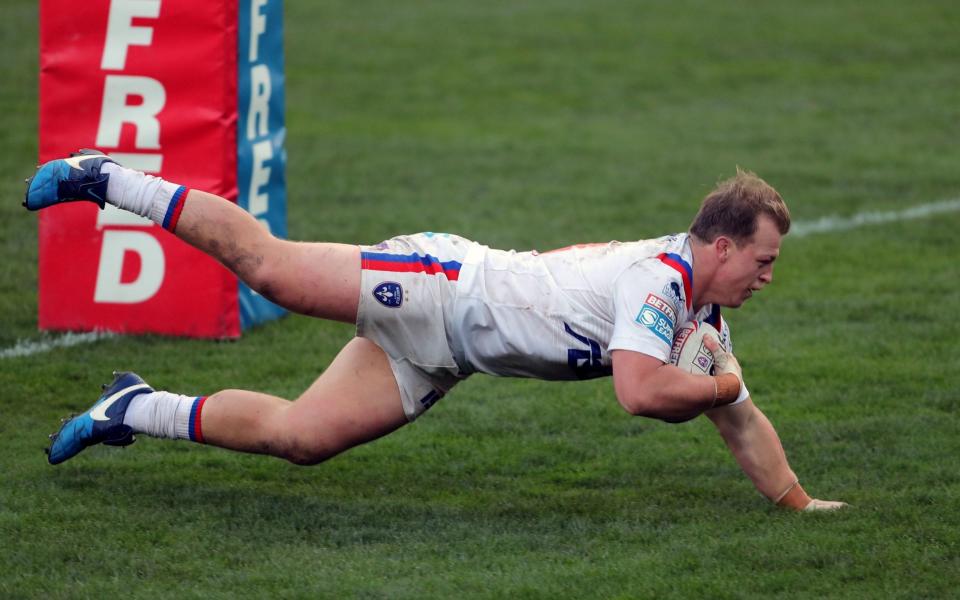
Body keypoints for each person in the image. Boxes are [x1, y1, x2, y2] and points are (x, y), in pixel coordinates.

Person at [24, 151, 846, 511]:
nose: (768, 277)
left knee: (300, 439)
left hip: (447, 355)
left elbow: (739, 418)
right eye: (763, 261)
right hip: (439, 287)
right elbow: (640, 393)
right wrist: (719, 385)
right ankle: (107, 177)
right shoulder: (660, 284)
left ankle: (128, 408)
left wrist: (798, 502)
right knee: (270, 269)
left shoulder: (695, 311)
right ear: (723, 245)